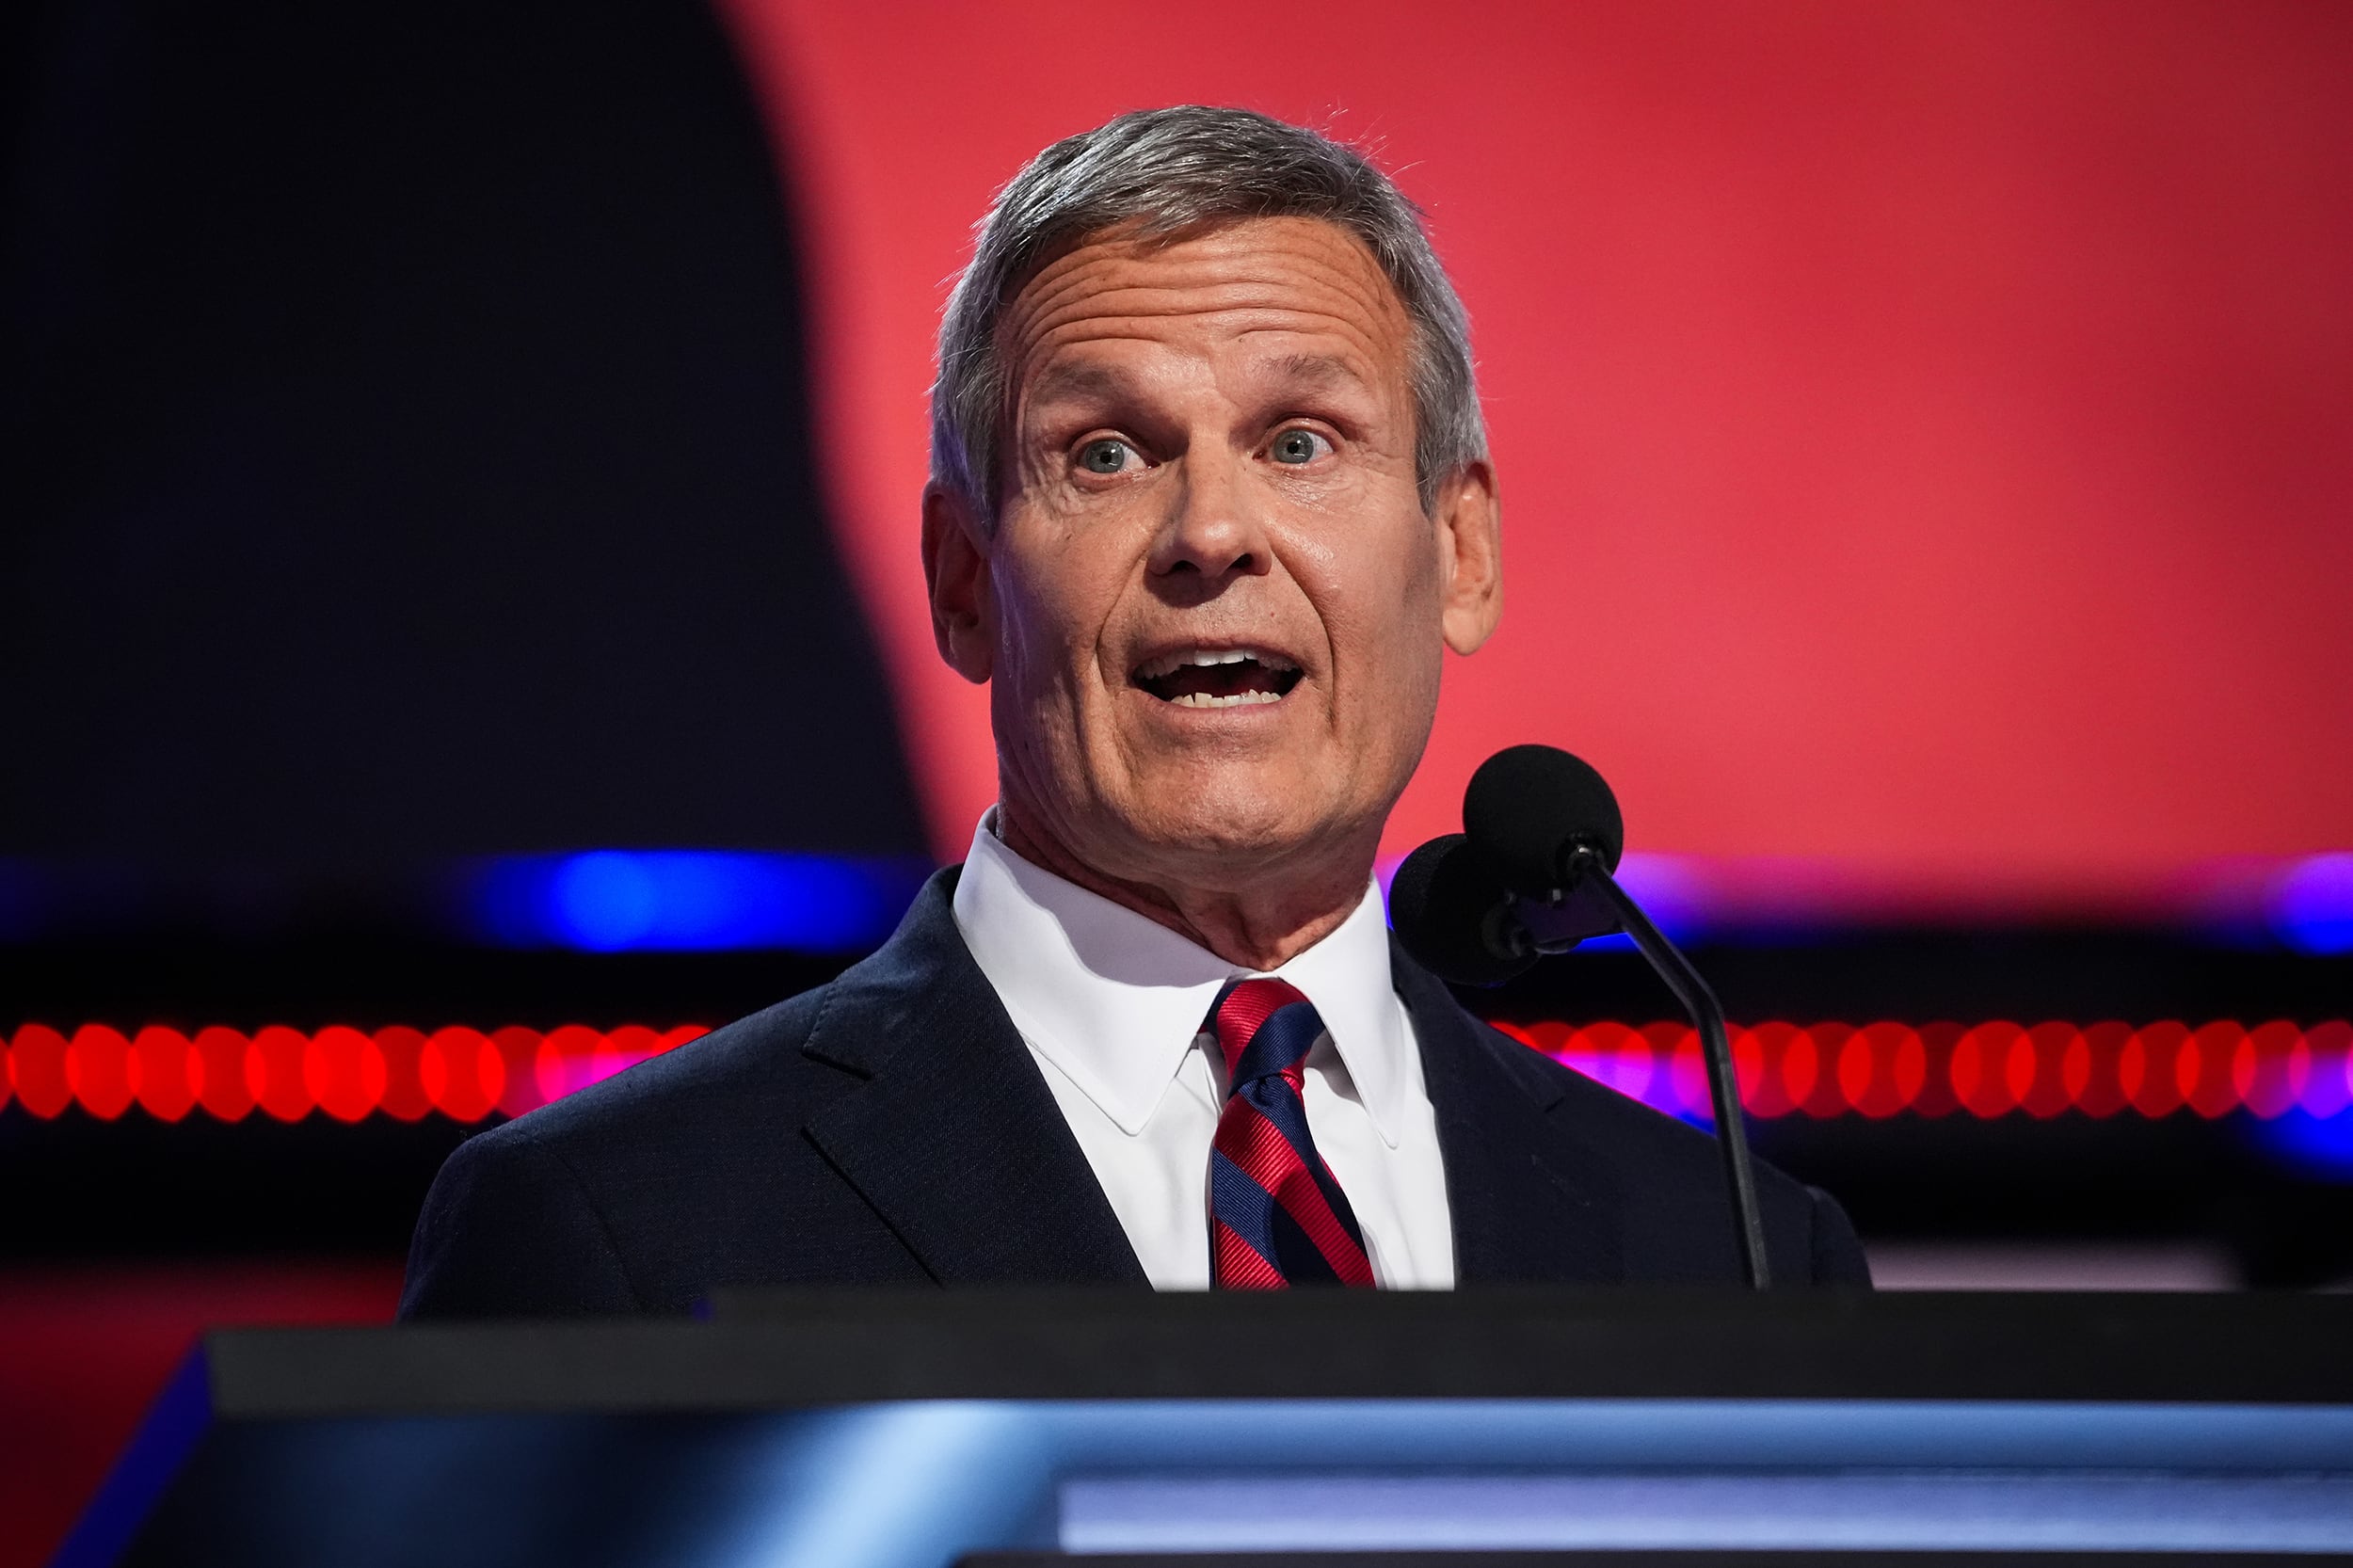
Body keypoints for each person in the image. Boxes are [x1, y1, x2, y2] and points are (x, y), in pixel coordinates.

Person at [400, 106, 1868, 1316]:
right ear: (966, 581)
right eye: (1105, 453)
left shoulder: (1730, 1249)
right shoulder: (613, 1229)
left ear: (1461, 554)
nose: (1210, 532)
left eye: (1301, 440)